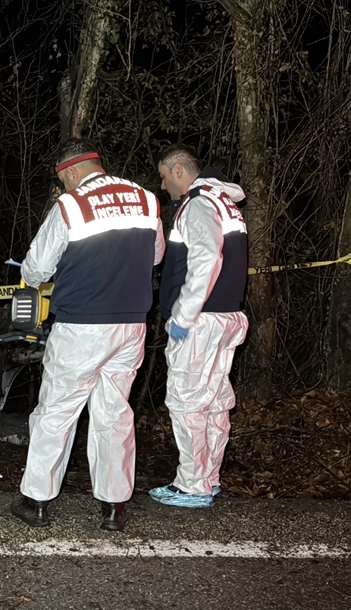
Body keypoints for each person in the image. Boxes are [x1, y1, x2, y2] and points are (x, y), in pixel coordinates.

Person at [11, 139, 164, 531]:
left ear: (73, 172)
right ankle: (114, 507)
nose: (64, 188)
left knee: (57, 411)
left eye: (63, 180)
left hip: (81, 324)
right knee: (114, 413)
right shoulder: (146, 199)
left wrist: (30, 276)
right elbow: (156, 254)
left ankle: (37, 501)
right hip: (130, 326)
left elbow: (37, 267)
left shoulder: (71, 205)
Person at [150, 143, 249, 508]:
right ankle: (208, 479)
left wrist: (183, 315)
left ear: (179, 170)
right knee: (214, 402)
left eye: (163, 176)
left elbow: (206, 257)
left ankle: (191, 485)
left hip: (201, 322)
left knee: (187, 401)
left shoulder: (197, 204)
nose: (163, 186)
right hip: (225, 317)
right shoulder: (226, 203)